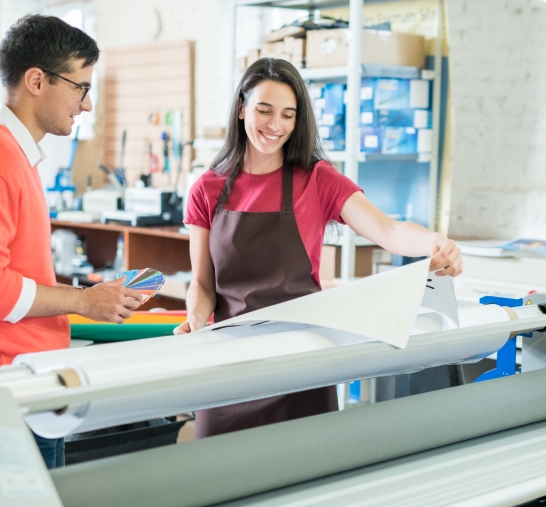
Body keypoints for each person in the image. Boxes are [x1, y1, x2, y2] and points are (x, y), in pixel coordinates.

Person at [176, 57, 463, 439]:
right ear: (242, 107)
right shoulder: (207, 189)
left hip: (303, 361)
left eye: (288, 115)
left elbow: (388, 229)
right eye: (264, 110)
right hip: (231, 364)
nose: (274, 125)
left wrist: (436, 243)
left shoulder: (318, 180)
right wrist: (196, 319)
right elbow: (203, 283)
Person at [0, 15, 143, 467]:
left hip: (32, 382)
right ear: (36, 80)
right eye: (80, 87)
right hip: (10, 391)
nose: (86, 104)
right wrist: (83, 301)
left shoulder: (16, 156)